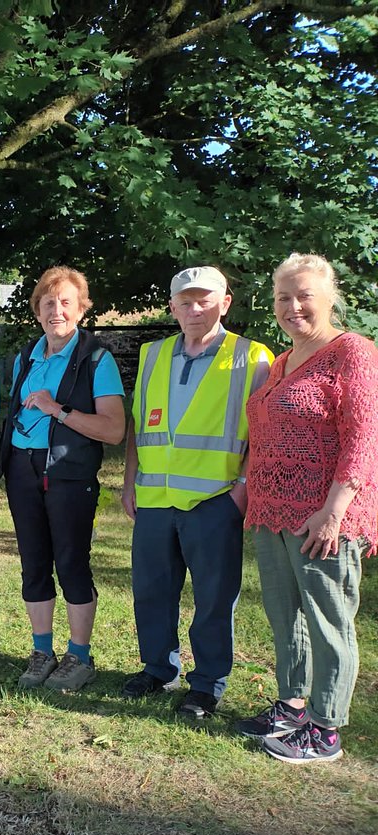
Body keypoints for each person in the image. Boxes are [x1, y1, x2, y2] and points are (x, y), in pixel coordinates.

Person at [236, 253, 378, 763]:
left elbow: (364, 437)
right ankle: (292, 705)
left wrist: (334, 510)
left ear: (331, 298)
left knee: (328, 619)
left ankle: (325, 728)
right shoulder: (280, 361)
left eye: (304, 296)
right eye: (283, 297)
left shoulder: (352, 352)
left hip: (322, 516)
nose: (293, 306)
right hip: (271, 512)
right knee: (284, 616)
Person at [122, 266, 272, 718]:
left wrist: (242, 489)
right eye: (185, 301)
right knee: (151, 591)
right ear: (172, 306)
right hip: (152, 500)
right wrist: (129, 481)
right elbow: (136, 426)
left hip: (215, 500)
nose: (194, 308)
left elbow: (265, 434)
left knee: (213, 597)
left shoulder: (253, 358)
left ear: (225, 303)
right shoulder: (151, 355)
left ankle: (206, 684)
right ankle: (157, 668)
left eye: (204, 299)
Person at [0, 267, 125, 692]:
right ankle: (41, 651)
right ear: (37, 310)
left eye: (66, 302)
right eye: (49, 303)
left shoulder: (96, 359)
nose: (57, 310)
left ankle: (80, 655)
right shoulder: (24, 358)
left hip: (69, 474)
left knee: (71, 562)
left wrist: (59, 410)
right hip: (23, 470)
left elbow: (114, 430)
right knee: (34, 564)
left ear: (81, 308)